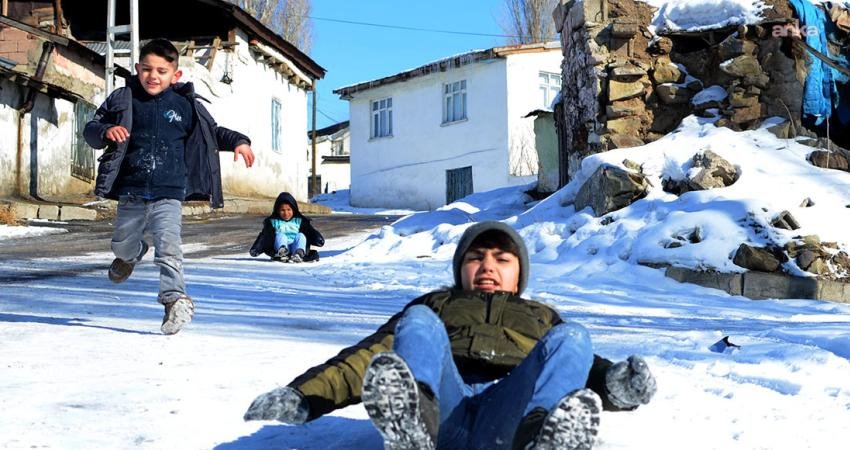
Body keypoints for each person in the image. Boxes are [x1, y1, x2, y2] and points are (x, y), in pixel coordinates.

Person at [243, 221, 656, 449]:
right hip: (445, 411)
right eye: (476, 258)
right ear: (460, 268)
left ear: (519, 272)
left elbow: (573, 368)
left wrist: (617, 385)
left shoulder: (542, 316)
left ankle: (540, 437)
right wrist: (303, 395)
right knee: (418, 322)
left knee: (575, 338)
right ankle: (412, 423)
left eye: (502, 259)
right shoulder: (439, 302)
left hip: (508, 419)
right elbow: (373, 356)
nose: (488, 267)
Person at [84, 38, 254, 335]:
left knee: (169, 248)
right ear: (137, 69)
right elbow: (91, 128)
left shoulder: (185, 105)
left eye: (162, 71)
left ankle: (174, 300)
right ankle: (131, 255)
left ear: (175, 76)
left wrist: (239, 140)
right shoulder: (123, 99)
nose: (153, 76)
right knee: (121, 244)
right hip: (131, 188)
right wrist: (106, 130)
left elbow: (211, 133)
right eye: (147, 69)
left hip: (170, 191)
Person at [248, 192, 324, 263]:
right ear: (277, 210)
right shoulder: (274, 222)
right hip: (280, 246)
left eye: (288, 210)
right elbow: (265, 236)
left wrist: (317, 238)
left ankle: (299, 253)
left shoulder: (299, 221)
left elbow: (309, 231)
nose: (286, 213)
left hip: (295, 246)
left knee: (301, 236)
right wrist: (256, 248)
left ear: (293, 209)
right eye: (282, 210)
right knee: (281, 236)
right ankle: (282, 253)